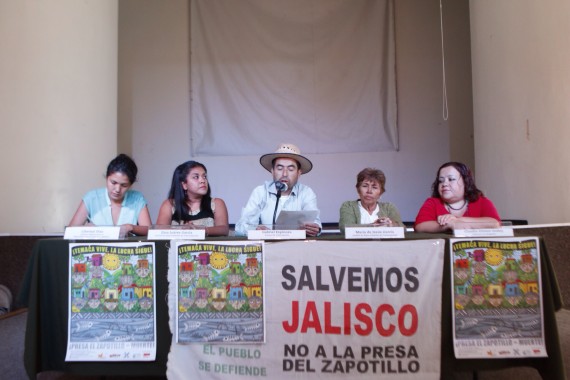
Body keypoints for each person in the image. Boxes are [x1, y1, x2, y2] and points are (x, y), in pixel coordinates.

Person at [235, 143, 321, 236]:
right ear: (272, 171)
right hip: (267, 247)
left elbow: (316, 224)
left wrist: (314, 229)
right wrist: (254, 229)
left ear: (299, 173)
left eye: (291, 169)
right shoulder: (260, 192)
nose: (284, 174)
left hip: (297, 247)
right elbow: (240, 227)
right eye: (279, 168)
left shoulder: (306, 193)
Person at [68, 154, 152, 236]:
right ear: (107, 177)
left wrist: (131, 227)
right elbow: (70, 231)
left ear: (131, 184)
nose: (117, 189)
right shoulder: (92, 198)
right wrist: (85, 230)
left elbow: (149, 230)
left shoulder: (137, 199)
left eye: (124, 185)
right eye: (113, 182)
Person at [414, 161, 501, 233]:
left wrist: (458, 220)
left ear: (466, 182)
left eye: (451, 179)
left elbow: (494, 223)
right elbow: (420, 226)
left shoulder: (482, 202)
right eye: (441, 181)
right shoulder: (432, 202)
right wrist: (448, 225)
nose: (444, 184)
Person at [156, 161, 229, 236]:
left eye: (204, 177)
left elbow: (224, 229)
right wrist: (181, 230)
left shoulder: (216, 203)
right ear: (184, 184)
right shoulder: (169, 204)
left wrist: (201, 230)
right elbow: (159, 230)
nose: (202, 181)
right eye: (196, 177)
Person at [339, 168, 404, 232]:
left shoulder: (389, 207)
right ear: (358, 189)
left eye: (374, 187)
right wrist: (374, 226)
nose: (369, 191)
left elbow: (403, 229)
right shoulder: (349, 206)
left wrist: (391, 224)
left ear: (381, 192)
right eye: (365, 186)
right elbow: (345, 228)